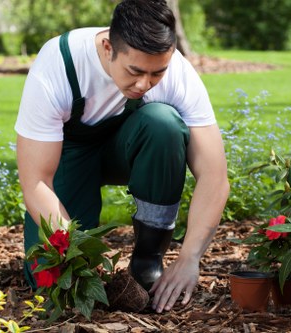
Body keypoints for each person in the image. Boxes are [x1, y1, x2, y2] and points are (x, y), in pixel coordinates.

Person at [15, 0, 229, 313]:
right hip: (68, 155)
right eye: (135, 71)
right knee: (54, 284)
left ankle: (147, 259)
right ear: (107, 48)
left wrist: (189, 258)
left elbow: (215, 175)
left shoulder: (177, 71)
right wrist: (76, 255)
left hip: (126, 148)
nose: (145, 83)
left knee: (164, 125)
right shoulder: (59, 63)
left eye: (157, 73)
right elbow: (36, 182)